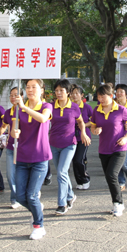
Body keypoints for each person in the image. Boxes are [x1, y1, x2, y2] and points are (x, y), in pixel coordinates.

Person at [10, 79, 52, 240]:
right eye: (28, 87)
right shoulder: (18, 108)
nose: (30, 90)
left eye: (34, 87)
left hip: (40, 157)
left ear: (42, 90)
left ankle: (38, 226)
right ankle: (37, 209)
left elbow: (43, 119)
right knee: (20, 196)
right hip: (22, 156)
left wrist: (25, 108)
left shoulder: (46, 106)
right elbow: (14, 130)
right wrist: (15, 133)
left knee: (32, 196)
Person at [90, 84, 127, 217]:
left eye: (103, 96)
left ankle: (118, 203)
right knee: (109, 177)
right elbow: (93, 127)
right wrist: (95, 131)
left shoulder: (121, 110)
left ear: (111, 96)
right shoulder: (96, 110)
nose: (101, 99)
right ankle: (118, 202)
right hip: (103, 149)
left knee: (111, 174)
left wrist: (126, 137)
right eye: (99, 97)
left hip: (119, 148)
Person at [50, 79, 90, 215]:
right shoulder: (51, 106)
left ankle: (62, 204)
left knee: (61, 172)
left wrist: (83, 133)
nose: (58, 93)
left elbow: (81, 122)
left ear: (67, 92)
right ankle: (70, 195)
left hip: (69, 144)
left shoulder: (74, 107)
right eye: (56, 90)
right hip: (54, 144)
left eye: (61, 90)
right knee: (62, 173)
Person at [0, 87, 23, 208]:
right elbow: (4, 126)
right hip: (11, 147)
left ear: (21, 96)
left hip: (24, 147)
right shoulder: (8, 112)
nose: (13, 97)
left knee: (22, 175)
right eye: (11, 95)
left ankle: (21, 196)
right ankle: (15, 198)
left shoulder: (26, 110)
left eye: (16, 95)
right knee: (10, 175)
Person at [70, 85, 93, 190]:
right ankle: (79, 181)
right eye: (72, 93)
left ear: (82, 95)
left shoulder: (87, 107)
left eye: (77, 93)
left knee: (79, 159)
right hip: (71, 136)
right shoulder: (69, 106)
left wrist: (83, 125)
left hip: (84, 136)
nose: (74, 95)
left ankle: (85, 179)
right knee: (74, 160)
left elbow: (94, 121)